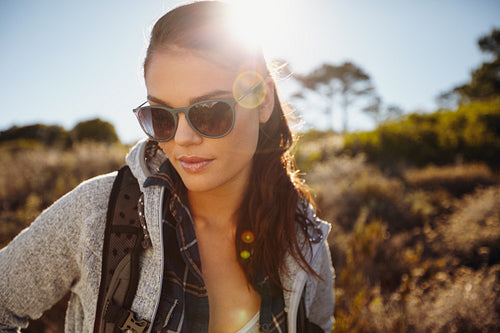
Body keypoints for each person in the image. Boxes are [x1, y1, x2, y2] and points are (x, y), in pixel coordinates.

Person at [0, 1, 334, 332]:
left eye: (210, 111)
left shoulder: (304, 238)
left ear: (263, 101)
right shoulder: (98, 212)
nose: (182, 138)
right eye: (161, 116)